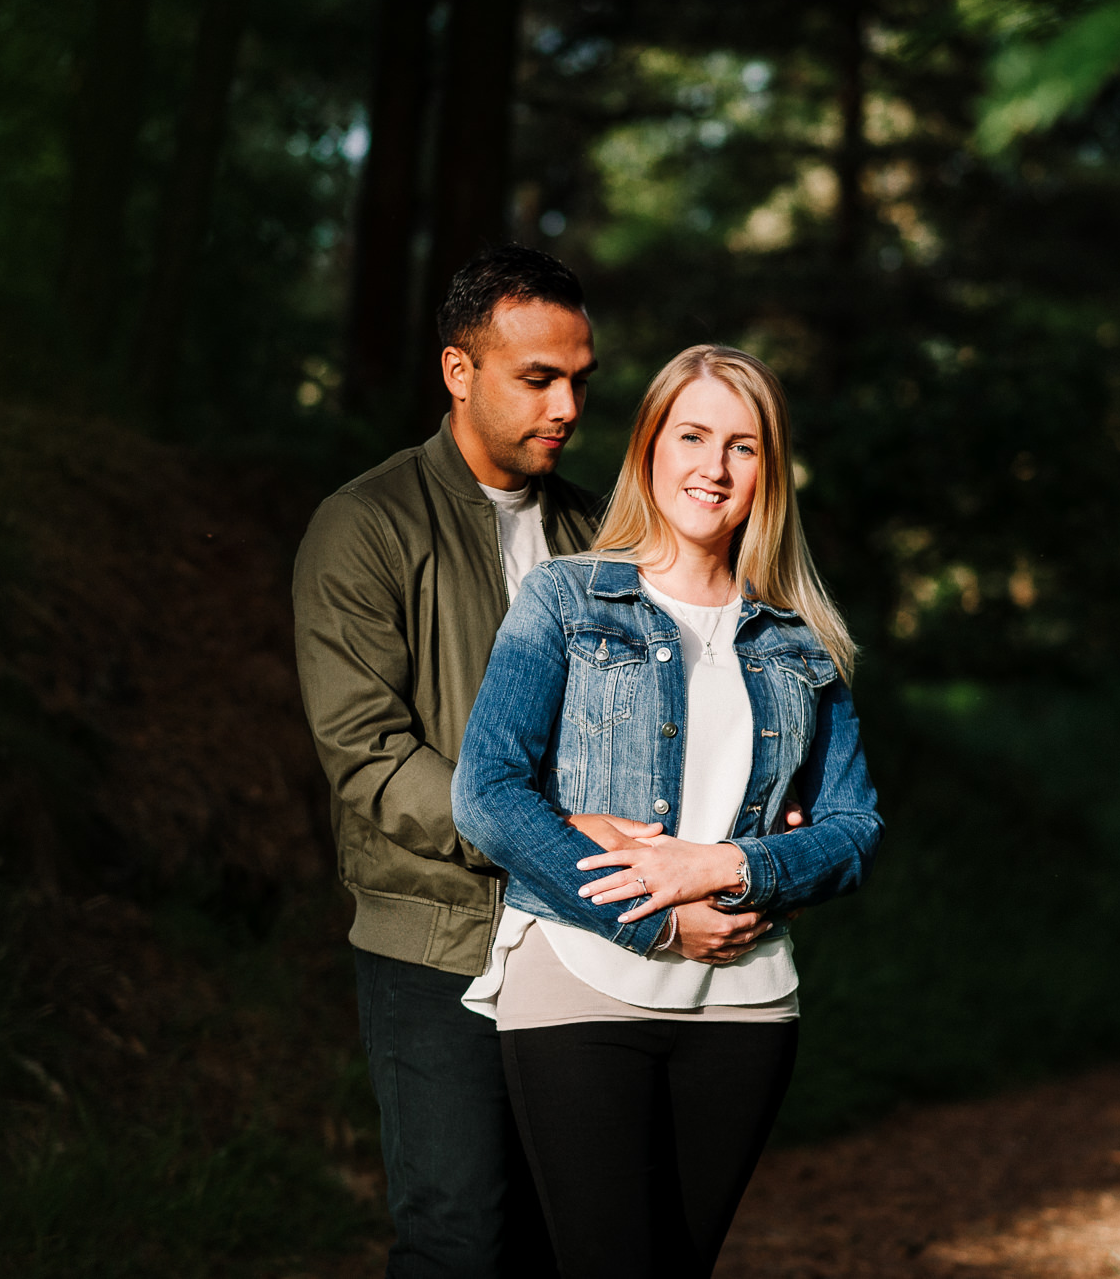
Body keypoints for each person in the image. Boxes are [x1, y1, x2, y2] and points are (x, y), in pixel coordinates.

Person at [294, 249, 775, 1276]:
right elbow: (368, 756)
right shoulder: (367, 527)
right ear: (457, 372)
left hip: (585, 936)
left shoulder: (605, 532)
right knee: (463, 1240)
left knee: (578, 1242)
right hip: (438, 935)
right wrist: (544, 838)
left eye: (581, 380)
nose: (566, 404)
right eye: (537, 378)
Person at [449, 344, 884, 1278]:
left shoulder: (803, 638)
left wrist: (725, 869)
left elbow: (856, 831)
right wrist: (657, 924)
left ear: (771, 468)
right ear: (649, 447)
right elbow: (485, 792)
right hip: (578, 980)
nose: (714, 468)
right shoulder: (565, 598)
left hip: (747, 1000)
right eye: (692, 435)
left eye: (743, 445)